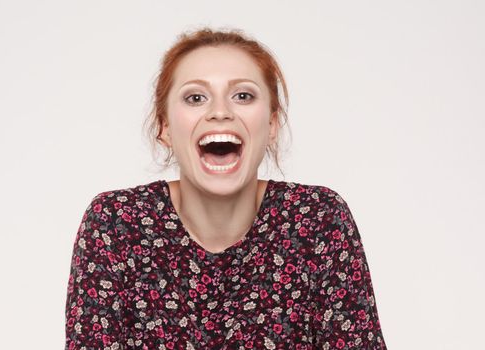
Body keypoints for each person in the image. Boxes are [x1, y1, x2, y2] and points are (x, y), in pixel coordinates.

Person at [65, 27, 387, 349]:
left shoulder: (319, 221)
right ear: (164, 127)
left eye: (243, 96)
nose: (220, 112)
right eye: (196, 98)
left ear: (272, 125)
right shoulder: (116, 224)